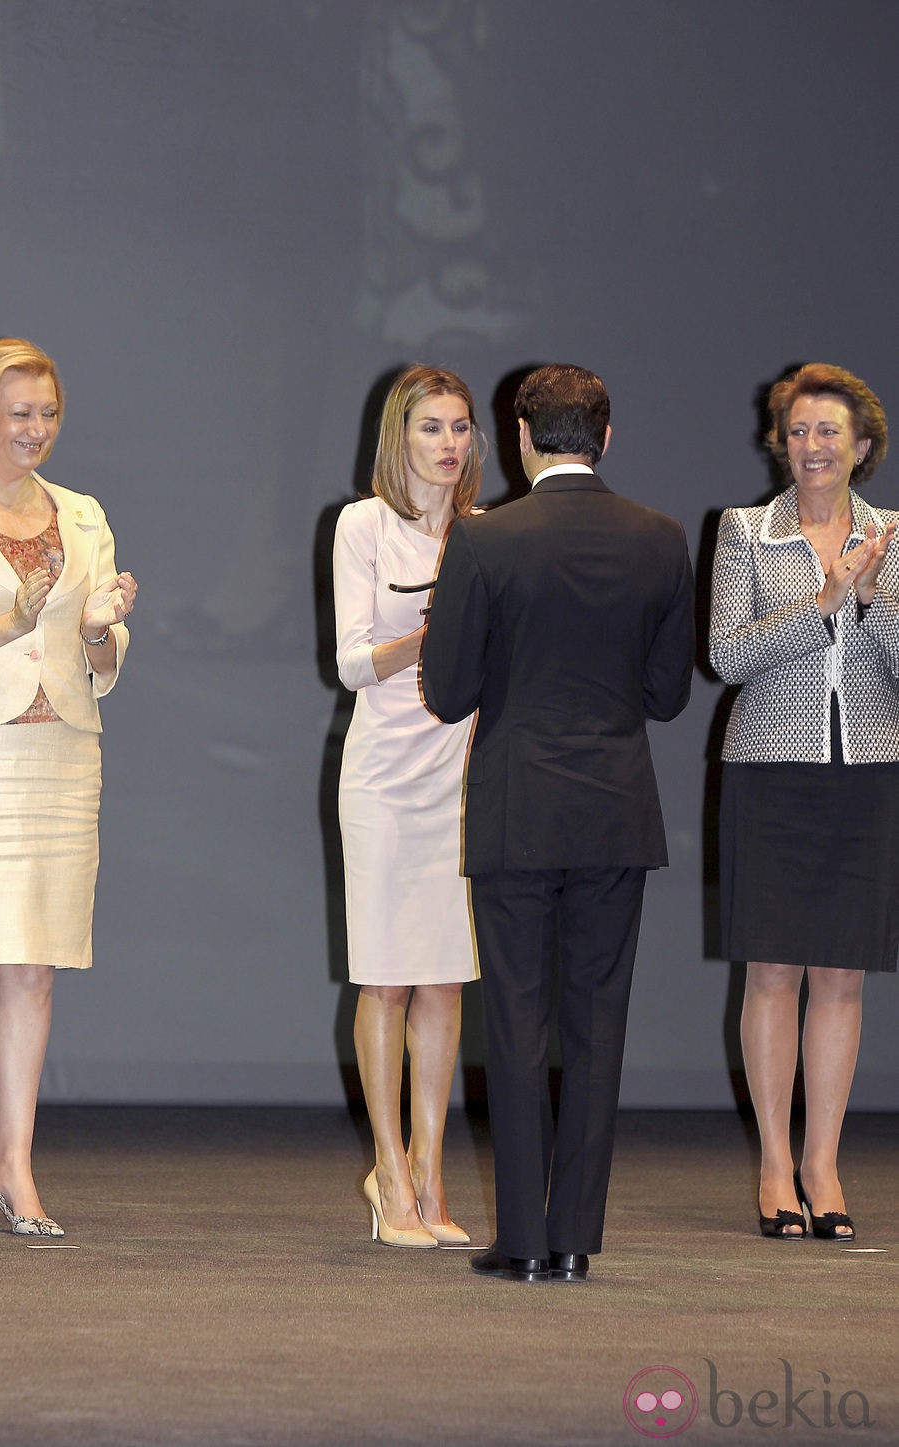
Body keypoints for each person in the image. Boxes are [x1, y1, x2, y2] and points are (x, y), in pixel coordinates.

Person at [422, 363, 694, 1283]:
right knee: (598, 1022)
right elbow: (665, 698)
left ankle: (523, 1244)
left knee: (516, 1017)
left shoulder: (485, 541)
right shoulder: (659, 540)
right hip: (618, 810)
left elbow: (450, 690)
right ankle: (575, 1235)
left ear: (522, 437)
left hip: (517, 804)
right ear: (606, 438)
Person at [0, 338, 136, 1237]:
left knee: (35, 969)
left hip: (59, 758)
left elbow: (106, 662)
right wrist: (11, 616)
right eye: (20, 413)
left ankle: (18, 1160)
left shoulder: (82, 515)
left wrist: (99, 627)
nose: (37, 429)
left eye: (48, 412)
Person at [709, 362, 897, 1242]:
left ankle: (824, 1161)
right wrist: (823, 602)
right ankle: (776, 1163)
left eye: (829, 432)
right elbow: (726, 655)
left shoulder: (895, 535)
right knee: (774, 969)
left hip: (866, 769)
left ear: (863, 446)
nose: (813, 447)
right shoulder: (745, 531)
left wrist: (871, 601)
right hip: (770, 769)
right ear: (778, 443)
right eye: (797, 431)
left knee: (843, 974)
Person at [333, 364, 482, 1248]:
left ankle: (430, 1171)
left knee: (446, 977)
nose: (450, 443)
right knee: (386, 974)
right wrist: (436, 635)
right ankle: (386, 1169)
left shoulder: (486, 533)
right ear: (401, 436)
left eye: (461, 427)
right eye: (432, 427)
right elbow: (352, 661)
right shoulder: (364, 524)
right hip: (385, 778)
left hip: (462, 773)